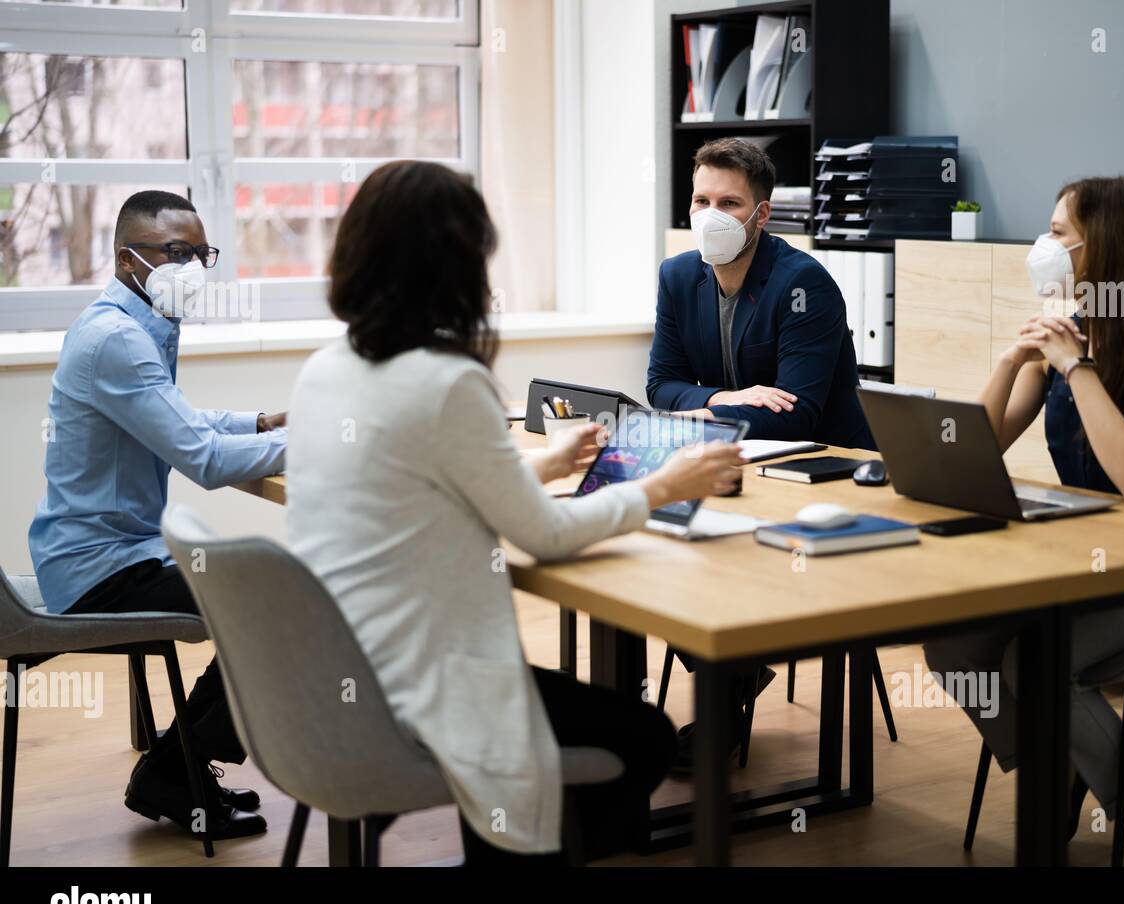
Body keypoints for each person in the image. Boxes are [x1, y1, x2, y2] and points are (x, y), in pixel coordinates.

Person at [286, 159, 745, 864]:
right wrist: (664, 486)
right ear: (457, 265)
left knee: (606, 725)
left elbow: (417, 491)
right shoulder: (447, 382)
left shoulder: (327, 368)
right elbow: (548, 534)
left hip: (339, 671)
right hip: (424, 688)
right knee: (646, 737)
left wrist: (542, 464)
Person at [923, 175, 1124, 866]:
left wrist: (1077, 370)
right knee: (953, 646)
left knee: (1029, 657)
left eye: (1059, 234)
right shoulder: (1064, 338)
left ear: (1106, 247)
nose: (1044, 246)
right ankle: (1066, 768)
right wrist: (1015, 358)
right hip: (1098, 562)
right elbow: (971, 450)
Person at [28, 190, 287, 841]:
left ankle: (178, 767)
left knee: (260, 591)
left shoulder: (131, 324)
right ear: (127, 259)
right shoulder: (117, 339)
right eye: (177, 253)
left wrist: (257, 423)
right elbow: (201, 458)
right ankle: (175, 772)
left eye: (202, 253)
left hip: (111, 554)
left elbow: (174, 420)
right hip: (100, 572)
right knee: (270, 602)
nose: (194, 267)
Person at [647, 137, 874, 449]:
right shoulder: (676, 276)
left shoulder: (803, 283)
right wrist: (727, 398)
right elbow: (661, 386)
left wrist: (703, 419)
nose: (710, 217)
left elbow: (798, 414)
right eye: (702, 201)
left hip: (826, 459)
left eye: (729, 203)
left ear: (762, 214)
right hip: (737, 450)